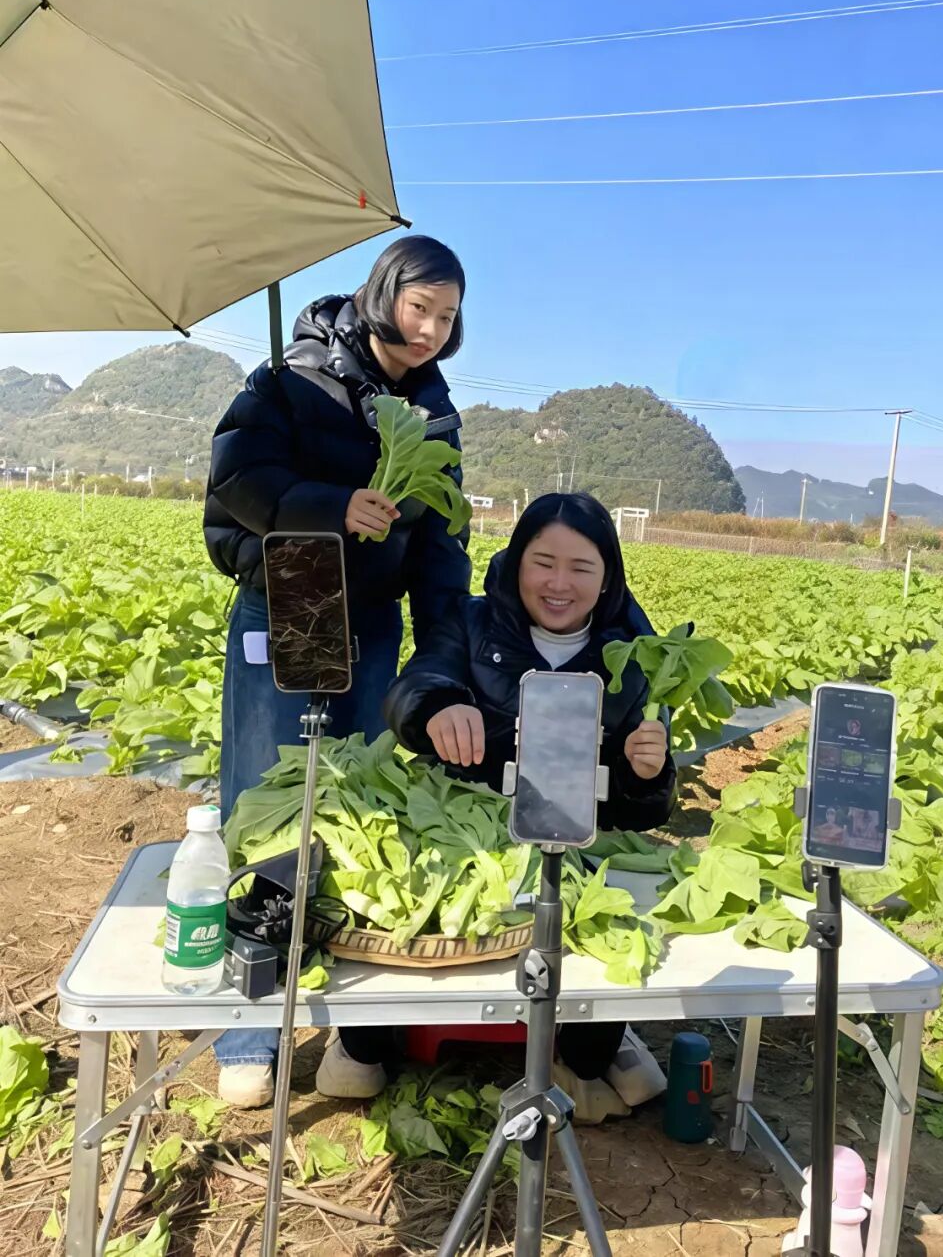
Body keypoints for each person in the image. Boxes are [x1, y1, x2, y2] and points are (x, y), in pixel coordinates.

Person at [203, 235, 471, 1108]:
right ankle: (250, 1031)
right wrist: (329, 507)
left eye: (447, 316)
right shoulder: (296, 372)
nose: (429, 328)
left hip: (370, 626)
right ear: (383, 292)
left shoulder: (435, 413)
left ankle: (354, 1032)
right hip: (287, 603)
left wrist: (440, 657)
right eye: (419, 306)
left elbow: (440, 546)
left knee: (359, 812)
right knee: (265, 805)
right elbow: (235, 474)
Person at [319, 492, 676, 1122]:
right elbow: (415, 685)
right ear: (515, 562)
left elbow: (643, 810)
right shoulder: (473, 621)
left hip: (581, 835)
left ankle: (596, 1044)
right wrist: (437, 709)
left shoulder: (637, 653)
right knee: (383, 887)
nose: (558, 583)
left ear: (607, 578)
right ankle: (362, 1039)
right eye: (543, 562)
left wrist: (648, 772)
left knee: (625, 907)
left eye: (581, 568)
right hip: (466, 827)